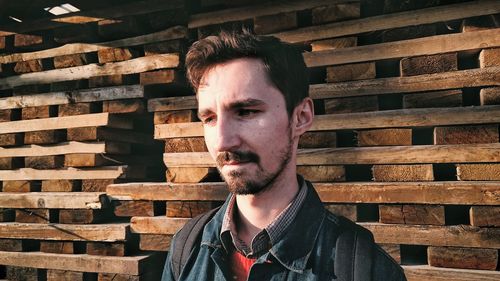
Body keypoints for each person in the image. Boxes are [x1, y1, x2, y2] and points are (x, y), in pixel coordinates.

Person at [162, 30, 406, 281]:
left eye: (246, 112)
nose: (223, 141)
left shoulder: (363, 270)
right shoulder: (186, 249)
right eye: (210, 118)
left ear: (300, 117)